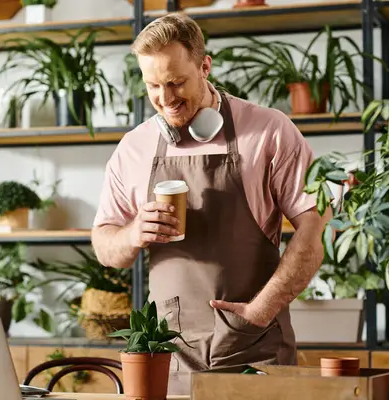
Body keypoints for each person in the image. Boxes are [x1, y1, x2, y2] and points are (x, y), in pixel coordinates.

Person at [91, 12, 331, 394]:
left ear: (205, 66)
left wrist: (259, 313)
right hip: (168, 354)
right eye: (153, 85)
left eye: (176, 82)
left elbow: (315, 225)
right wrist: (133, 233)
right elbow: (106, 247)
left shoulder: (268, 131)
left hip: (255, 346)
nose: (165, 99)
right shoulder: (133, 148)